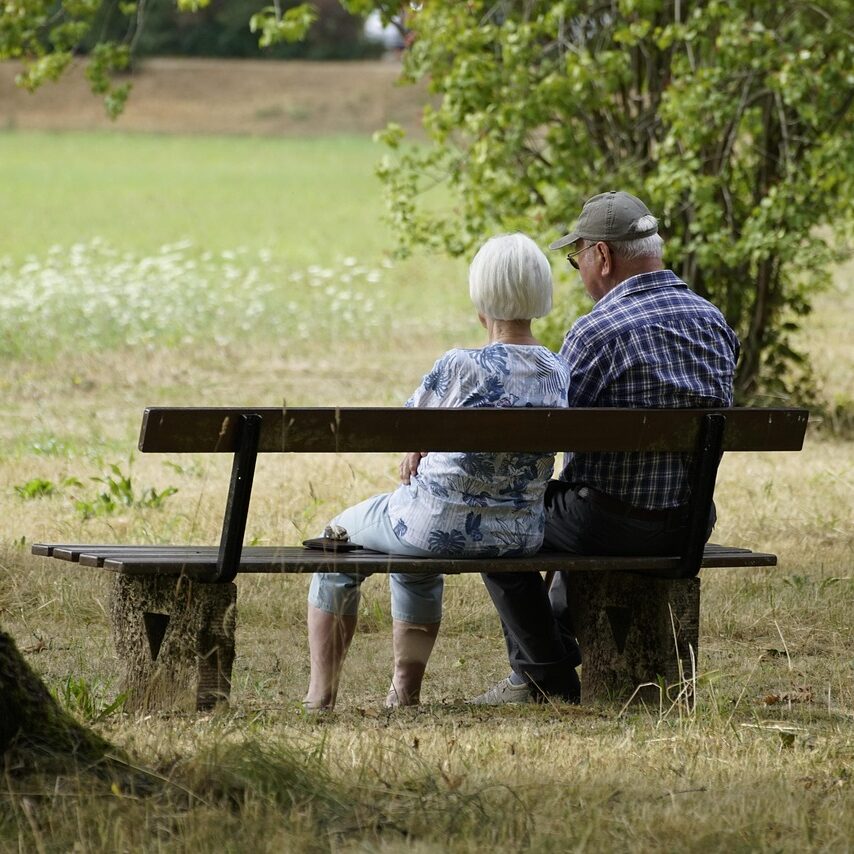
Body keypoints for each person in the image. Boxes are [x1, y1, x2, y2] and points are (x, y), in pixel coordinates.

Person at [473, 191, 740, 705]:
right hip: (689, 522)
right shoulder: (714, 323)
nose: (579, 272)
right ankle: (552, 648)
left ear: (602, 255)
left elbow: (549, 436)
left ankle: (544, 673)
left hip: (609, 524)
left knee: (494, 519)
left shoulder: (596, 332)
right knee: (577, 502)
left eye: (577, 260)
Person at [303, 232, 571, 711]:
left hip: (434, 526)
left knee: (336, 539)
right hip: (518, 535)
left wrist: (417, 446)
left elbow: (404, 427)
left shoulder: (460, 366)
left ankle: (320, 695)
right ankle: (404, 693)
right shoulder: (557, 370)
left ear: (481, 297)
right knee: (412, 553)